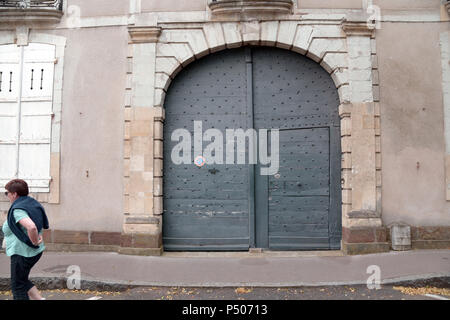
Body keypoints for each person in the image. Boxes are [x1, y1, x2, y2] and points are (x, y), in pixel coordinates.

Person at [2, 179, 49, 300]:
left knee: (18, 286)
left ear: (15, 194)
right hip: (32, 252)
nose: (7, 196)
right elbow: (36, 222)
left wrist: (33, 241)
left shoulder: (18, 210)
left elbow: (31, 226)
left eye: (7, 193)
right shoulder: (30, 203)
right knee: (22, 279)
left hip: (22, 253)